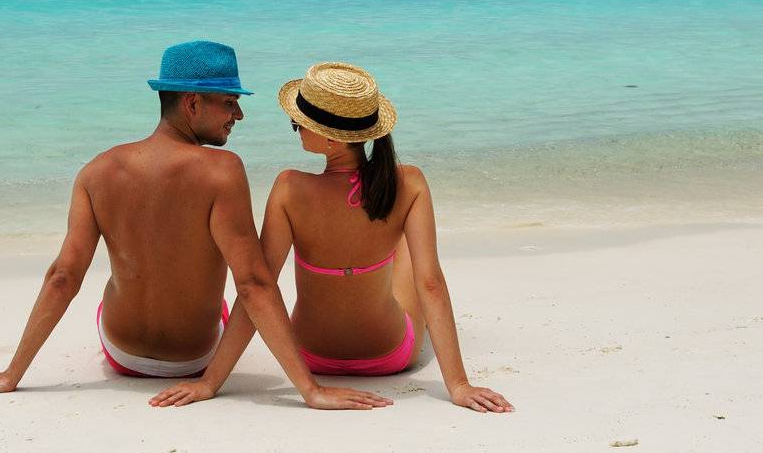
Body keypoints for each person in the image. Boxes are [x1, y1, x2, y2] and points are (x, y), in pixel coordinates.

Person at [0, 40, 391, 410]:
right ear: (193, 103)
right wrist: (308, 390)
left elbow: (63, 277)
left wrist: (10, 375)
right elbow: (253, 283)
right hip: (193, 359)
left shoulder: (96, 171)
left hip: (121, 354)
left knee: (117, 281)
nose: (239, 116)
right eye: (230, 103)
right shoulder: (222, 171)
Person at [149, 61, 513, 413]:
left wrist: (210, 383)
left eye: (299, 123)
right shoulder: (411, 183)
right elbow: (430, 284)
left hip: (312, 355)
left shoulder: (289, 189)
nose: (295, 127)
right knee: (402, 243)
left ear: (329, 138)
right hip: (389, 355)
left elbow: (257, 289)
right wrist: (459, 385)